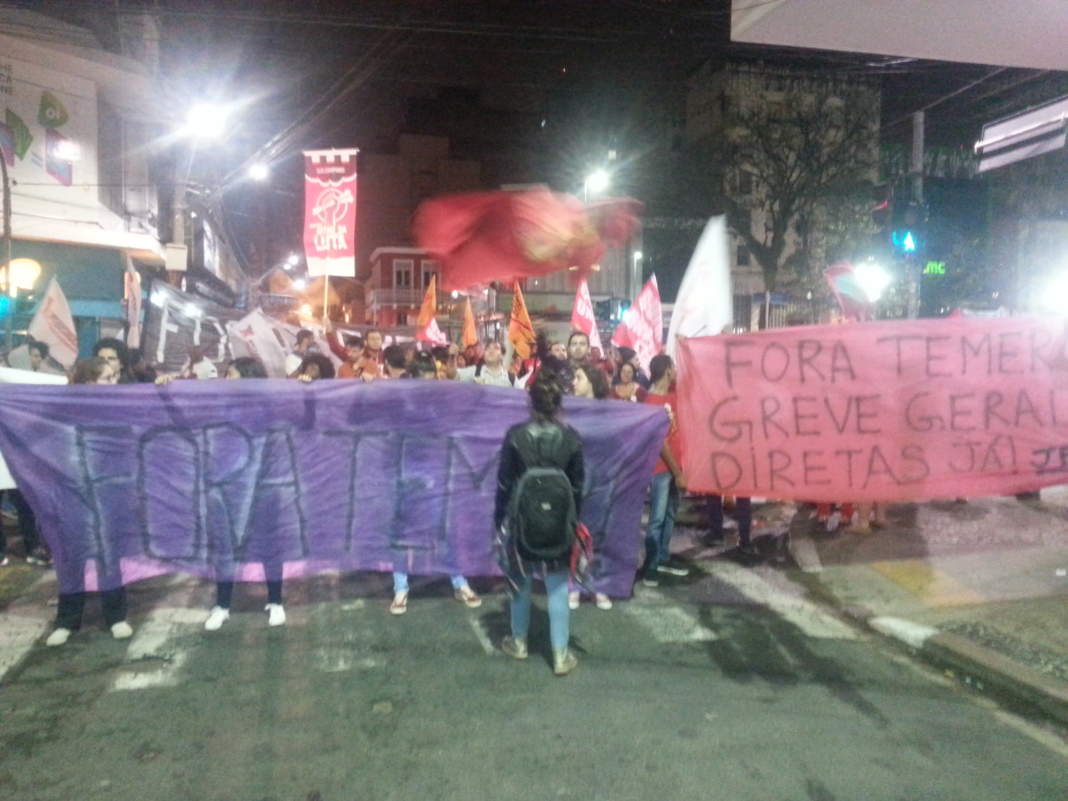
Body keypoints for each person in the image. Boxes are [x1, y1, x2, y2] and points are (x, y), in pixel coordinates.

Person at [494, 371, 585, 675]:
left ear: (529, 402)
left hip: (522, 521)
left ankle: (519, 643)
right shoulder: (571, 437)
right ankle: (560, 655)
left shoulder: (515, 435)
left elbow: (504, 483)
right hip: (560, 522)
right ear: (560, 404)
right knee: (558, 586)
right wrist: (574, 523)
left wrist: (499, 520)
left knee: (520, 581)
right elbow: (577, 487)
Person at [45, 356, 131, 646]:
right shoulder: (61, 409)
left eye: (115, 376)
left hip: (107, 492)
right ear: (85, 381)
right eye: (107, 378)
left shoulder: (118, 411)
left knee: (109, 554)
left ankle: (116, 616)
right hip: (70, 491)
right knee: (71, 556)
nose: (114, 383)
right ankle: (67, 620)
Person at [390, 355, 482, 613]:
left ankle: (458, 581)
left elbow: (461, 420)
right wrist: (367, 383)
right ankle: (400, 587)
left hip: (434, 473)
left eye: (433, 382)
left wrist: (478, 392)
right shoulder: (397, 401)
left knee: (444, 530)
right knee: (400, 534)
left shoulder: (440, 403)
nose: (430, 388)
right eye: (426, 383)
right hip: (403, 475)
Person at [204, 356, 287, 630]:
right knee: (224, 548)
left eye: (231, 374)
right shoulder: (217, 407)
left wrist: (305, 389)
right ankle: (223, 604)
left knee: (270, 547)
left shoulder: (269, 408)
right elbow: (183, 417)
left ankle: (276, 601)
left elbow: (305, 420)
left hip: (265, 488)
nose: (227, 379)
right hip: (227, 487)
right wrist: (164, 392)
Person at [640, 353, 689, 586]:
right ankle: (650, 566)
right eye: (674, 368)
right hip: (660, 470)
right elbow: (660, 442)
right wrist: (677, 472)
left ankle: (663, 557)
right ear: (668, 370)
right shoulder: (650, 402)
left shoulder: (673, 395)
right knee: (657, 518)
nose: (677, 372)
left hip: (676, 467)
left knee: (670, 514)